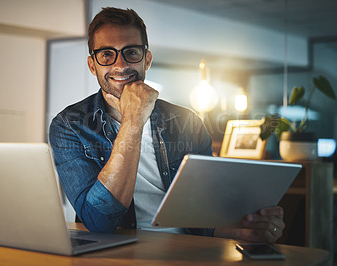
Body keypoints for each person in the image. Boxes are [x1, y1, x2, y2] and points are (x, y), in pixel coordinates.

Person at [49, 7, 284, 243]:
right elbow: (100, 222)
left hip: (187, 250)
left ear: (146, 59)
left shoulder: (188, 121)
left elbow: (201, 217)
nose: (120, 64)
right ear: (92, 65)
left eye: (131, 52)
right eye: (107, 55)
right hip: (115, 253)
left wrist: (243, 229)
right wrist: (133, 119)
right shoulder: (68, 126)